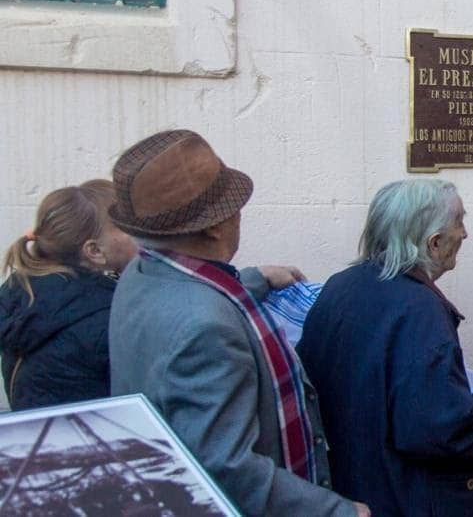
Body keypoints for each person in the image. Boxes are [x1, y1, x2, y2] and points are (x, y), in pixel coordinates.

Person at [106, 129, 368, 517]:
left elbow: (189, 290)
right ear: (214, 226)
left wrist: (254, 279)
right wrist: (337, 511)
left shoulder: (141, 275)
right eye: (233, 205)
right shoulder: (205, 327)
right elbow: (224, 467)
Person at [297, 179, 473, 517]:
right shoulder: (420, 312)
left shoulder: (340, 287)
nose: (465, 234)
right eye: (459, 222)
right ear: (434, 243)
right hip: (407, 499)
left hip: (350, 491)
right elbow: (446, 431)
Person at [0, 180, 137, 410]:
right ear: (94, 251)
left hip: (38, 437)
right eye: (128, 226)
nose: (142, 232)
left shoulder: (24, 290)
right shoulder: (104, 318)